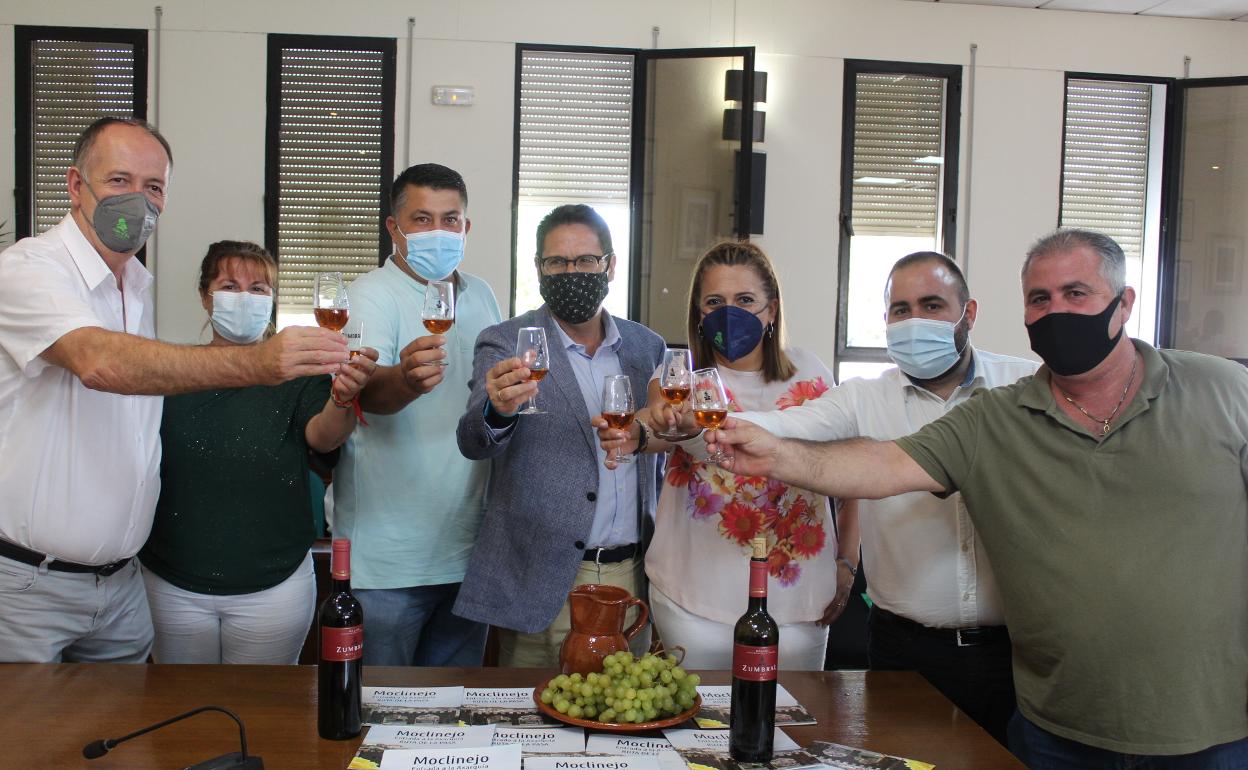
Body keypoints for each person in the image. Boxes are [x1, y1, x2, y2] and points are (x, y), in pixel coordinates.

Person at [706, 229, 1248, 766]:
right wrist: (752, 444)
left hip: (1152, 710)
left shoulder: (1207, 391)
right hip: (998, 695)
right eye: (1041, 298)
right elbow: (876, 462)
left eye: (1076, 294)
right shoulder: (954, 410)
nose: (1058, 311)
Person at [0, 117, 346, 664]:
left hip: (120, 587)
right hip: (33, 584)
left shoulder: (134, 292)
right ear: (74, 185)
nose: (137, 201)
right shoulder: (29, 268)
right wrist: (257, 362)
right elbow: (99, 364)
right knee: (27, 745)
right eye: (118, 180)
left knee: (136, 744)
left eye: (153, 187)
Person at [726, 251, 1036, 742]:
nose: (914, 321)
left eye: (931, 305)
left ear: (968, 314)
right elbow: (788, 426)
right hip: (902, 650)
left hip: (1013, 655)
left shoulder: (1024, 386)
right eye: (900, 309)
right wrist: (717, 425)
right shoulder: (863, 399)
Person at [595, 240, 840, 670]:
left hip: (798, 601)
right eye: (715, 301)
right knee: (698, 727)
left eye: (745, 300)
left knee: (793, 725)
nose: (732, 312)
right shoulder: (679, 377)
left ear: (772, 309)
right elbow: (659, 424)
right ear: (699, 313)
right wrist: (634, 432)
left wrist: (848, 563)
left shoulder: (812, 373)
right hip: (693, 598)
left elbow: (847, 470)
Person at [139, 241, 378, 664]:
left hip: (274, 585)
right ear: (205, 296)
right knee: (179, 712)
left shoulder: (298, 376)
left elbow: (324, 438)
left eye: (259, 289)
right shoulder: (171, 371)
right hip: (171, 582)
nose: (244, 298)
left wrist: (343, 398)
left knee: (264, 712)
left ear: (272, 302)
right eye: (230, 285)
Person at [454, 204, 665, 667]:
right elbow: (473, 440)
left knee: (621, 718)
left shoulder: (647, 347)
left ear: (610, 266)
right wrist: (497, 409)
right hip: (538, 579)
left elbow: (666, 445)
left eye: (586, 261)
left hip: (630, 576)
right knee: (531, 722)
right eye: (557, 263)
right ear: (539, 269)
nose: (572, 272)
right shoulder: (507, 341)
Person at [332, 163, 502, 667]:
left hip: (469, 547)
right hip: (391, 561)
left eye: (450, 220)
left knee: (453, 718)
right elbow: (366, 394)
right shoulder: (370, 295)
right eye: (422, 219)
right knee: (381, 716)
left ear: (466, 229)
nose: (438, 233)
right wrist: (404, 380)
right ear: (394, 228)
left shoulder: (481, 294)